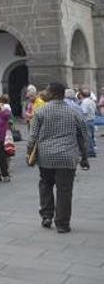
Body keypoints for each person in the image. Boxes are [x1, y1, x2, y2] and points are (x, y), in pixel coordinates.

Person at [27, 82, 90, 233]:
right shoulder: (74, 112)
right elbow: (83, 136)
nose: (45, 93)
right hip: (67, 158)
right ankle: (62, 224)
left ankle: (47, 215)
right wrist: (84, 156)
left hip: (46, 156)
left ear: (53, 93)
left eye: (47, 91)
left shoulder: (40, 111)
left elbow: (32, 137)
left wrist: (29, 154)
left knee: (45, 185)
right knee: (65, 190)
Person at [78, 87, 97, 158]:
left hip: (87, 120)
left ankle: (90, 151)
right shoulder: (91, 101)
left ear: (81, 95)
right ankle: (91, 151)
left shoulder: (85, 102)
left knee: (87, 137)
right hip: (92, 120)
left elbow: (84, 111)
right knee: (91, 136)